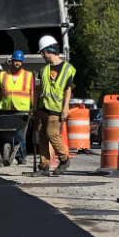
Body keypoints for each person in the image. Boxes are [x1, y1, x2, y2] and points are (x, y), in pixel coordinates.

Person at [33, 36, 76, 176]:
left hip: (56, 110)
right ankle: (44, 167)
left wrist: (65, 109)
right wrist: (35, 107)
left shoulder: (67, 69)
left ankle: (64, 159)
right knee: (42, 138)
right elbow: (39, 89)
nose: (42, 55)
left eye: (43, 52)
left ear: (50, 50)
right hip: (42, 108)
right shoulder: (44, 69)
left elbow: (68, 90)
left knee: (52, 134)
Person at [0, 49, 34, 166]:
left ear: (22, 63)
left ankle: (21, 157)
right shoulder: (3, 75)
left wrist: (33, 107)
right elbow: (1, 92)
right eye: (15, 61)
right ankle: (4, 157)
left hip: (22, 109)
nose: (17, 63)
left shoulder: (28, 75)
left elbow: (32, 93)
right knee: (5, 134)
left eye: (19, 61)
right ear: (12, 61)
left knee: (20, 135)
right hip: (6, 108)